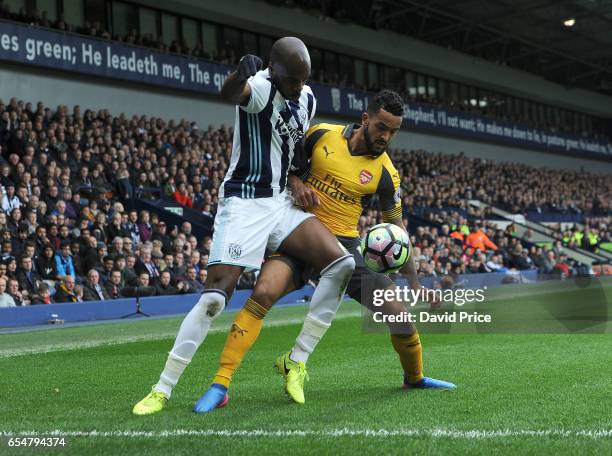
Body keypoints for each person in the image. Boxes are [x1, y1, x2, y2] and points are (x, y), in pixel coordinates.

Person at [133, 36, 355, 416]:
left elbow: (294, 148)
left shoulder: (308, 97)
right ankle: (162, 388)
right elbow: (232, 93)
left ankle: (296, 360)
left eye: (304, 80)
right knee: (214, 299)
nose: (299, 87)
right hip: (244, 204)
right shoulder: (263, 88)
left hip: (280, 203)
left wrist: (298, 177)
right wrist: (239, 73)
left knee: (343, 264)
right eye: (293, 80)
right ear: (275, 71)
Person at [197, 90, 456, 412]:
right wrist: (295, 182)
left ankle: (414, 377)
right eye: (381, 127)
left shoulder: (387, 173)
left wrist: (416, 285)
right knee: (263, 292)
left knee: (400, 316)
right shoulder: (321, 134)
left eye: (393, 131)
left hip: (345, 247)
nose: (386, 137)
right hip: (299, 236)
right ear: (365, 119)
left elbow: (397, 229)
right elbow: (282, 166)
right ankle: (220, 385)